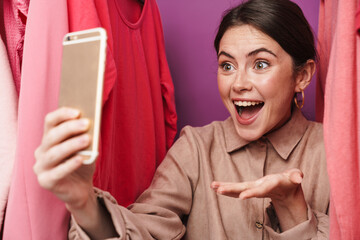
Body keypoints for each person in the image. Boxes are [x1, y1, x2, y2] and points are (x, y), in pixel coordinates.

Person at [33, 0, 330, 239]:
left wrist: (293, 211)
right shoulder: (195, 148)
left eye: (260, 64)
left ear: (302, 76)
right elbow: (143, 232)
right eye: (227, 65)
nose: (237, 83)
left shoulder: (335, 155)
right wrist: (84, 203)